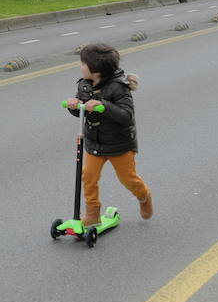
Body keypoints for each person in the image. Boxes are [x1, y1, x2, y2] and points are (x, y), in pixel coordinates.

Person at [64, 43, 152, 226]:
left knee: (128, 179)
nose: (80, 67)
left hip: (119, 144)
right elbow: (83, 111)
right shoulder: (84, 85)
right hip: (95, 142)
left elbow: (126, 116)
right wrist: (75, 106)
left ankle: (144, 196)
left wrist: (102, 105)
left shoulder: (119, 88)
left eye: (83, 63)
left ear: (96, 70)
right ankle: (92, 212)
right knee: (88, 176)